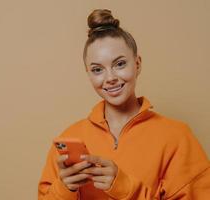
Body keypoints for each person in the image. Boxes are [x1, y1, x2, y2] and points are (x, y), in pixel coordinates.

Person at [38, 9, 210, 200]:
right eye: (97, 69)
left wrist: (124, 187)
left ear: (137, 64)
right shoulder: (69, 137)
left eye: (120, 64)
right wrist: (65, 189)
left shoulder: (178, 137)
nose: (110, 78)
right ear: (88, 74)